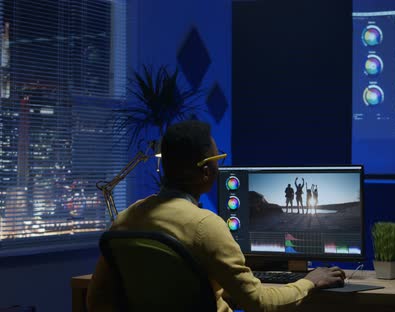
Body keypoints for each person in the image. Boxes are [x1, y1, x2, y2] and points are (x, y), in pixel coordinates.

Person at [86, 120, 345, 312]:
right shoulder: (206, 226)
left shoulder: (126, 220)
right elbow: (259, 303)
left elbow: (95, 299)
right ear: (206, 170)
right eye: (218, 158)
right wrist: (309, 282)